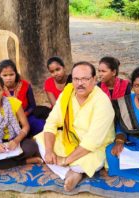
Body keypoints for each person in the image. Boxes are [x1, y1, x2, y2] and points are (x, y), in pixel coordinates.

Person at [35, 61, 115, 192]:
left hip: (94, 147)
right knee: (41, 141)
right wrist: (49, 150)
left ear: (94, 80)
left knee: (82, 165)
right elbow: (51, 122)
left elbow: (92, 141)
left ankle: (74, 171)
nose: (80, 83)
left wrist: (66, 160)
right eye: (76, 79)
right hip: (70, 139)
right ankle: (68, 174)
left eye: (85, 79)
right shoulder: (67, 94)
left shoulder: (102, 102)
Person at [0, 74, 42, 170]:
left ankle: (4, 162)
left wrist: (16, 141)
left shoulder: (14, 103)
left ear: (3, 89)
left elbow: (26, 126)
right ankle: (24, 161)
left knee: (32, 147)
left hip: (16, 139)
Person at [0, 59, 46, 136]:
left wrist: (24, 115)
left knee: (41, 126)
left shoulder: (25, 85)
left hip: (26, 116)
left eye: (11, 74)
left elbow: (32, 106)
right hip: (7, 121)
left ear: (16, 74)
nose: (8, 78)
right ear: (0, 76)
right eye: (5, 75)